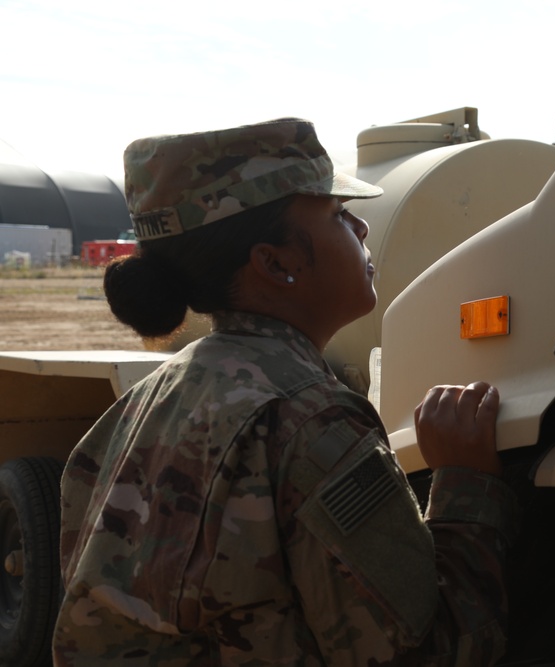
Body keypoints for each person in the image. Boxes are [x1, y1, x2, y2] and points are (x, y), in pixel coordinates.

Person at [53, 118, 519, 666]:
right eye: (337, 215)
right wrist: (466, 482)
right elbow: (436, 654)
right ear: (275, 264)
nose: (362, 227)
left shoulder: (145, 400)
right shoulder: (311, 420)